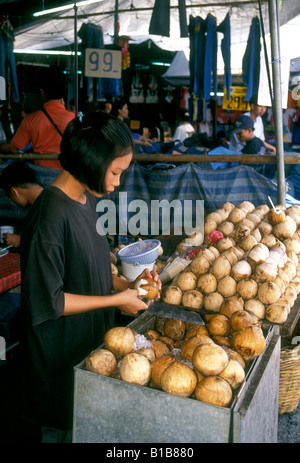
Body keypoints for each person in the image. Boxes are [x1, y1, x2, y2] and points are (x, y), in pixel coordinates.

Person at [18, 111, 161, 443]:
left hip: (87, 351)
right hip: (59, 362)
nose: (118, 181)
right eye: (115, 172)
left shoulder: (86, 201)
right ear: (93, 163)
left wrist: (128, 285)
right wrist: (116, 301)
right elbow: (47, 300)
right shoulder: (49, 217)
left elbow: (90, 270)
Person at [0, 70, 75, 169]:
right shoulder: (75, 118)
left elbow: (13, 148)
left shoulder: (31, 119)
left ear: (42, 92)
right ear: (62, 97)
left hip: (41, 174)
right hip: (67, 174)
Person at [0, 161, 44, 247]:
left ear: (15, 192)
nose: (12, 201)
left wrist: (21, 241)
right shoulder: (43, 200)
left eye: (10, 197)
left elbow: (53, 243)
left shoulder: (48, 206)